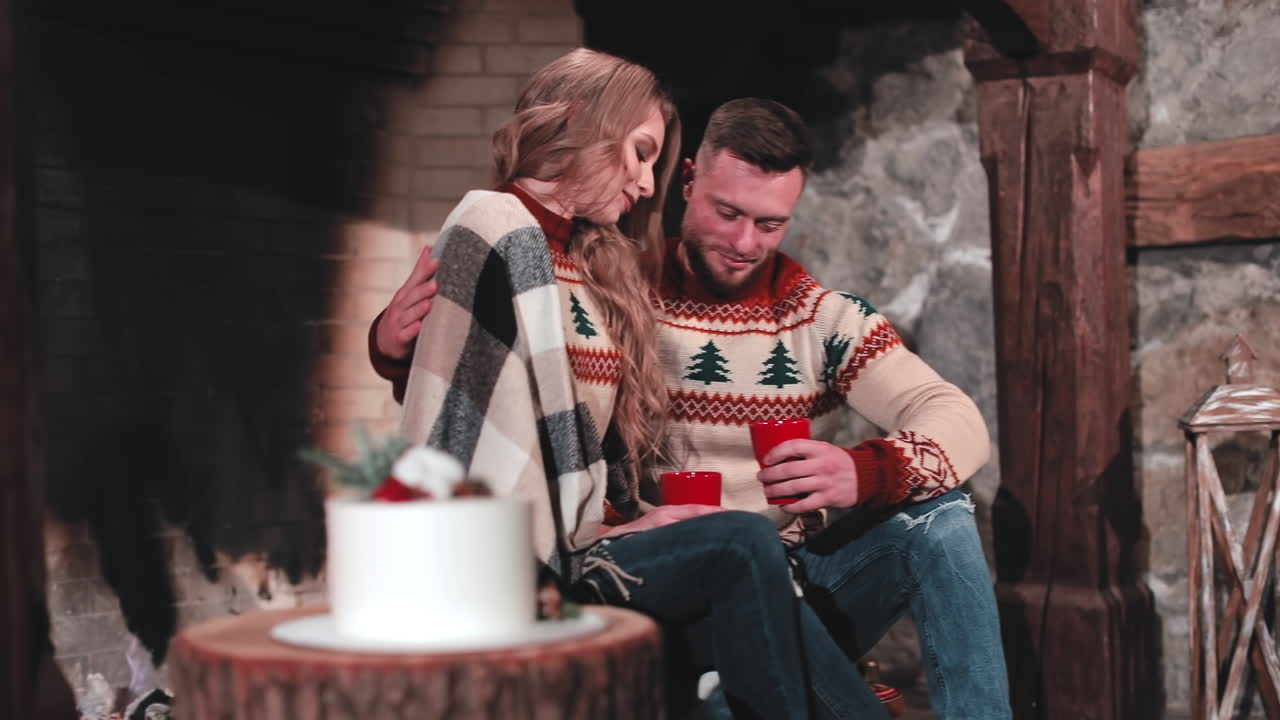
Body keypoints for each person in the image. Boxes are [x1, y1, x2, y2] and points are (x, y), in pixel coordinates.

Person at [380, 93, 1010, 719]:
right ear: (687, 181)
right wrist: (393, 344)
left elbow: (957, 417)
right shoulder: (613, 289)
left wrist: (863, 472)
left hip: (800, 580)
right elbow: (514, 370)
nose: (744, 242)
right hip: (675, 579)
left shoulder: (819, 316)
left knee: (944, 516)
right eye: (728, 212)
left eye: (770, 225)